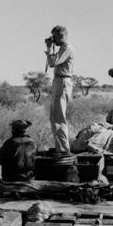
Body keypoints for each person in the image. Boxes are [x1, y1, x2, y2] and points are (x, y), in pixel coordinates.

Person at [45, 25, 76, 156]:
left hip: (63, 81)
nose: (53, 40)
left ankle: (63, 150)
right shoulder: (63, 48)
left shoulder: (67, 48)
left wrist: (49, 48)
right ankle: (60, 148)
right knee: (54, 117)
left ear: (60, 35)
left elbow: (53, 62)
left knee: (59, 118)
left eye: (54, 37)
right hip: (59, 81)